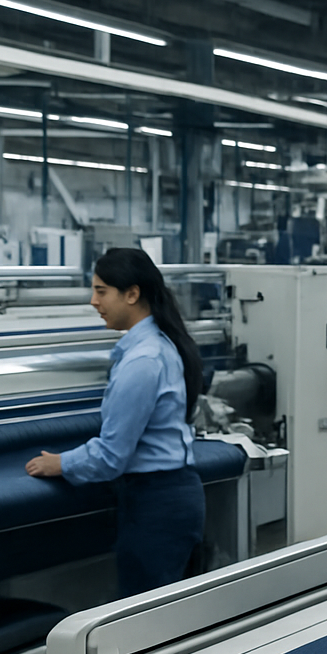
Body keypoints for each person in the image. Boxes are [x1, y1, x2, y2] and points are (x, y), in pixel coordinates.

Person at [25, 248, 207, 598]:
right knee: (166, 614)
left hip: (156, 504)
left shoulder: (142, 361)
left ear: (132, 294)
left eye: (101, 291)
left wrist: (60, 463)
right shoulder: (159, 345)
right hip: (170, 497)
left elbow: (112, 456)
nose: (94, 301)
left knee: (148, 618)